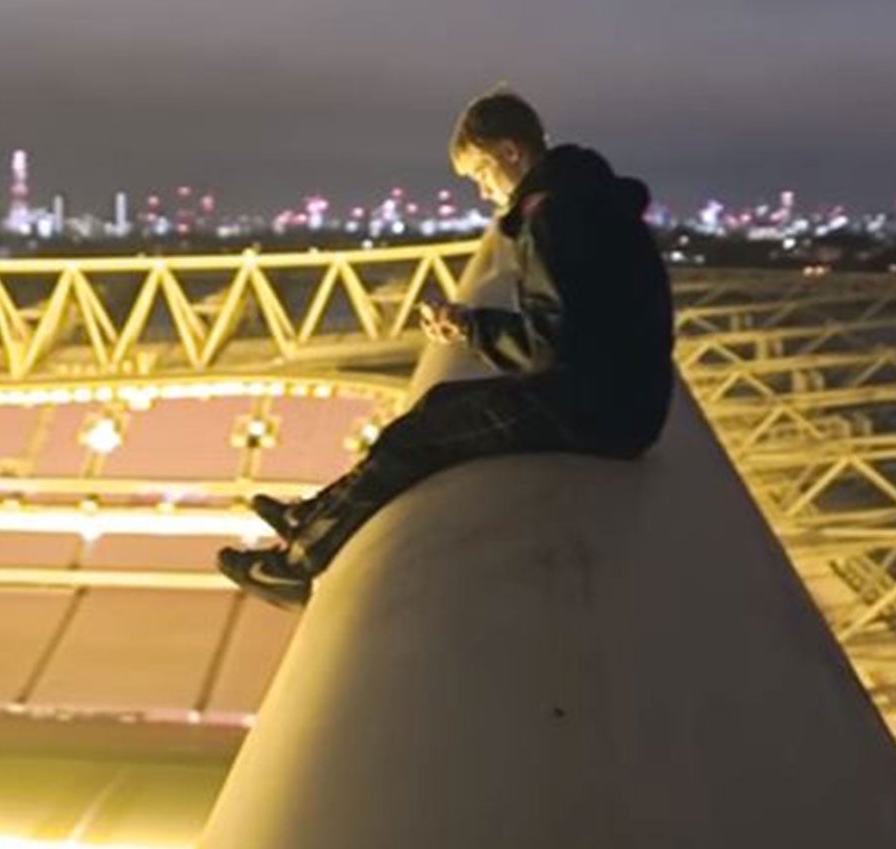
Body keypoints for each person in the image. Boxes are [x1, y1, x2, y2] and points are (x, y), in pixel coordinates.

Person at [217, 88, 674, 609]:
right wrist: (469, 325)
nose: (482, 191)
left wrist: (472, 329)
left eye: (480, 173)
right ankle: (313, 516)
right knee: (437, 407)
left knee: (417, 436)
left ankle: (296, 566)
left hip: (601, 412)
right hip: (625, 396)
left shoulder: (553, 216)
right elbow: (571, 324)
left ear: (509, 153)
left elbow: (548, 347)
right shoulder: (586, 197)